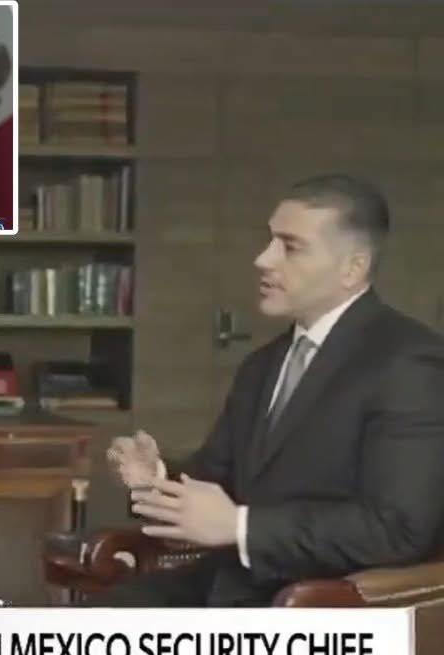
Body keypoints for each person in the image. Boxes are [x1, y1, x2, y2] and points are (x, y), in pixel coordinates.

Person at [100, 173, 444, 607]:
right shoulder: (263, 364)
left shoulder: (409, 363)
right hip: (223, 587)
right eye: (270, 241)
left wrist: (241, 527)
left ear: (352, 268)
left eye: (290, 247)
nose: (263, 259)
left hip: (314, 609)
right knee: (49, 636)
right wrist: (155, 479)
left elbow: (397, 529)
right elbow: (217, 479)